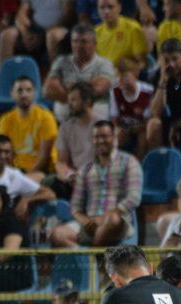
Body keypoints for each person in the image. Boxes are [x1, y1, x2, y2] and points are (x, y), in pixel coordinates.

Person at [50, 120, 141, 248]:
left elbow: (134, 198)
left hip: (118, 223)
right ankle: (86, 262)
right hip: (89, 223)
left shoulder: (129, 162)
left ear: (114, 138)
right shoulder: (86, 169)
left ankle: (94, 256)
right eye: (96, 137)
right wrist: (87, 221)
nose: (100, 141)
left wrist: (103, 218)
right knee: (58, 234)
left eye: (104, 136)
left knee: (113, 220)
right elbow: (75, 206)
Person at [42, 23, 115, 122]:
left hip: (94, 123)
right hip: (64, 121)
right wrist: (85, 88)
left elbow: (97, 90)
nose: (78, 46)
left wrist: (67, 89)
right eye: (75, 41)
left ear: (94, 44)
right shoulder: (61, 61)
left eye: (84, 42)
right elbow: (48, 90)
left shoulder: (104, 64)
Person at [0, 75, 57, 179]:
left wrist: (24, 178)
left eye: (28, 90)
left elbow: (44, 158)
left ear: (34, 93)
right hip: (16, 170)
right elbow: (5, 153)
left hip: (40, 171)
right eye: (20, 90)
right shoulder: (5, 120)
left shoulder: (46, 118)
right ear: (12, 94)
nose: (24, 94)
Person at [48, 81, 99, 198]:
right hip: (74, 178)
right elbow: (61, 162)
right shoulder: (65, 128)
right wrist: (69, 175)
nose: (69, 104)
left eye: (74, 100)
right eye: (69, 100)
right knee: (53, 185)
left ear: (87, 102)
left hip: (96, 178)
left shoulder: (103, 127)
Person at [109, 56, 153, 155]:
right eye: (117, 76)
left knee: (142, 137)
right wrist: (118, 129)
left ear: (135, 74)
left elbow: (148, 122)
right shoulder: (115, 91)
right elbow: (114, 119)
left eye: (124, 76)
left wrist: (133, 130)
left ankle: (140, 166)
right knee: (116, 135)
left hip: (141, 128)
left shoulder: (147, 91)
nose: (120, 79)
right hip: (125, 129)